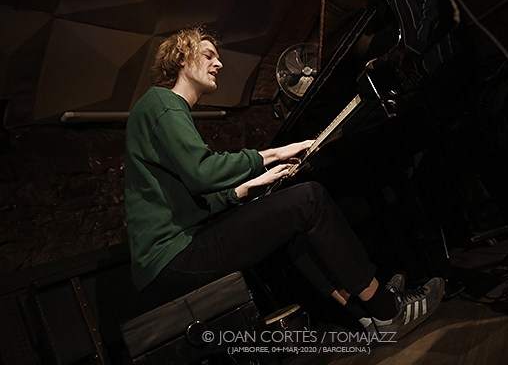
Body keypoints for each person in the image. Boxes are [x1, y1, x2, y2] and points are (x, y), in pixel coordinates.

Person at [124, 25, 445, 338]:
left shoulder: (164, 109)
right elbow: (202, 173)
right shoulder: (163, 103)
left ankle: (364, 311)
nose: (218, 63)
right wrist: (273, 154)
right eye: (208, 55)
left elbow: (194, 196)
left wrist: (247, 188)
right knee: (309, 198)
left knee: (292, 223)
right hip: (172, 259)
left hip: (175, 255)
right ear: (181, 58)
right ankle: (387, 310)